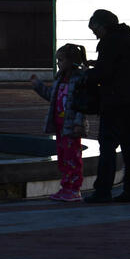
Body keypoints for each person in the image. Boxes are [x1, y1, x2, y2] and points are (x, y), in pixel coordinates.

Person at [84, 9, 130, 203]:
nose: (94, 34)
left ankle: (103, 191)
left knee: (107, 146)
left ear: (102, 25)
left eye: (94, 29)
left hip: (117, 101)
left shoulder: (110, 41)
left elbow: (105, 73)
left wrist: (85, 74)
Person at [30, 44, 89, 202]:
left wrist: (78, 123)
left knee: (72, 157)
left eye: (60, 60)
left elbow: (81, 105)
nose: (58, 64)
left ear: (71, 61)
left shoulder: (79, 80)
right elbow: (52, 96)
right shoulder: (60, 78)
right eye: (57, 60)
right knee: (63, 157)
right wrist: (38, 86)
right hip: (59, 124)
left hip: (71, 126)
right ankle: (65, 187)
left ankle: (74, 188)